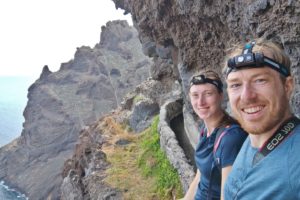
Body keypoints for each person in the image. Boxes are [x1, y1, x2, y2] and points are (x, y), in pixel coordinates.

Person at [223, 39, 300, 200]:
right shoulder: (253, 138)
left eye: (260, 80)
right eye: (235, 85)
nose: (247, 96)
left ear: (287, 86)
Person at [183, 70, 247, 200]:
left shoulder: (230, 138)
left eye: (208, 94)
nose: (200, 102)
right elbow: (200, 177)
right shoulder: (205, 130)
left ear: (220, 95)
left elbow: (228, 195)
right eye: (195, 95)